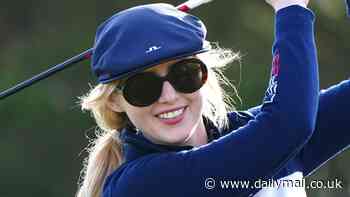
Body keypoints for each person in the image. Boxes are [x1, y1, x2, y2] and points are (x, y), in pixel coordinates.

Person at [76, 0, 349, 197]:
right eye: (143, 88)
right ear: (114, 102)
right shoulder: (138, 185)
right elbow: (288, 126)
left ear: (205, 74)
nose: (169, 96)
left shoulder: (260, 137)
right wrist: (291, 11)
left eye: (184, 74)